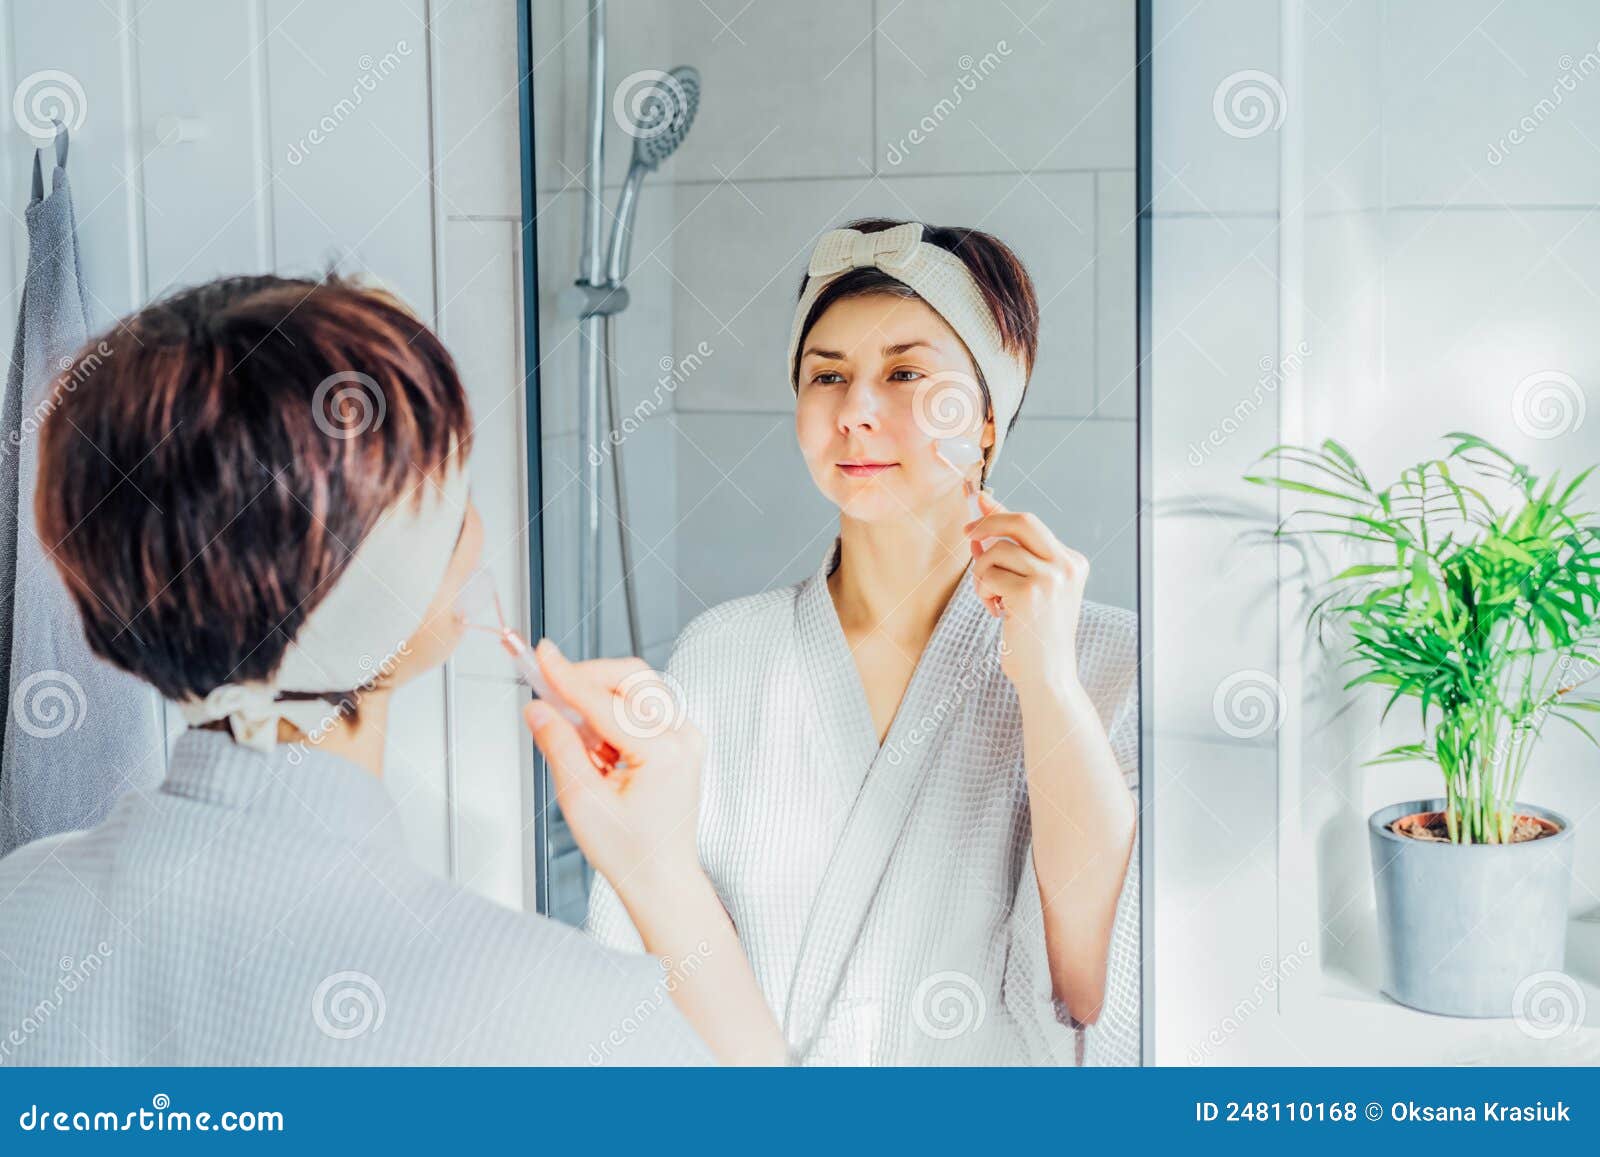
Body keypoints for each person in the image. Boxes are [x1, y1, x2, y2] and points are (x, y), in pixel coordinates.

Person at [0, 273, 785, 1066]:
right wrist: (663, 878)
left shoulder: (20, 904)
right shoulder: (562, 1019)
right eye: (451, 493)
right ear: (396, 588)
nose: (476, 529)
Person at [585, 219, 1142, 1065]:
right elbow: (658, 975)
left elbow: (1086, 990)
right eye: (828, 375)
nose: (855, 411)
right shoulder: (721, 655)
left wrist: (1049, 684)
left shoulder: (1109, 665)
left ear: (989, 416)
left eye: (905, 373)